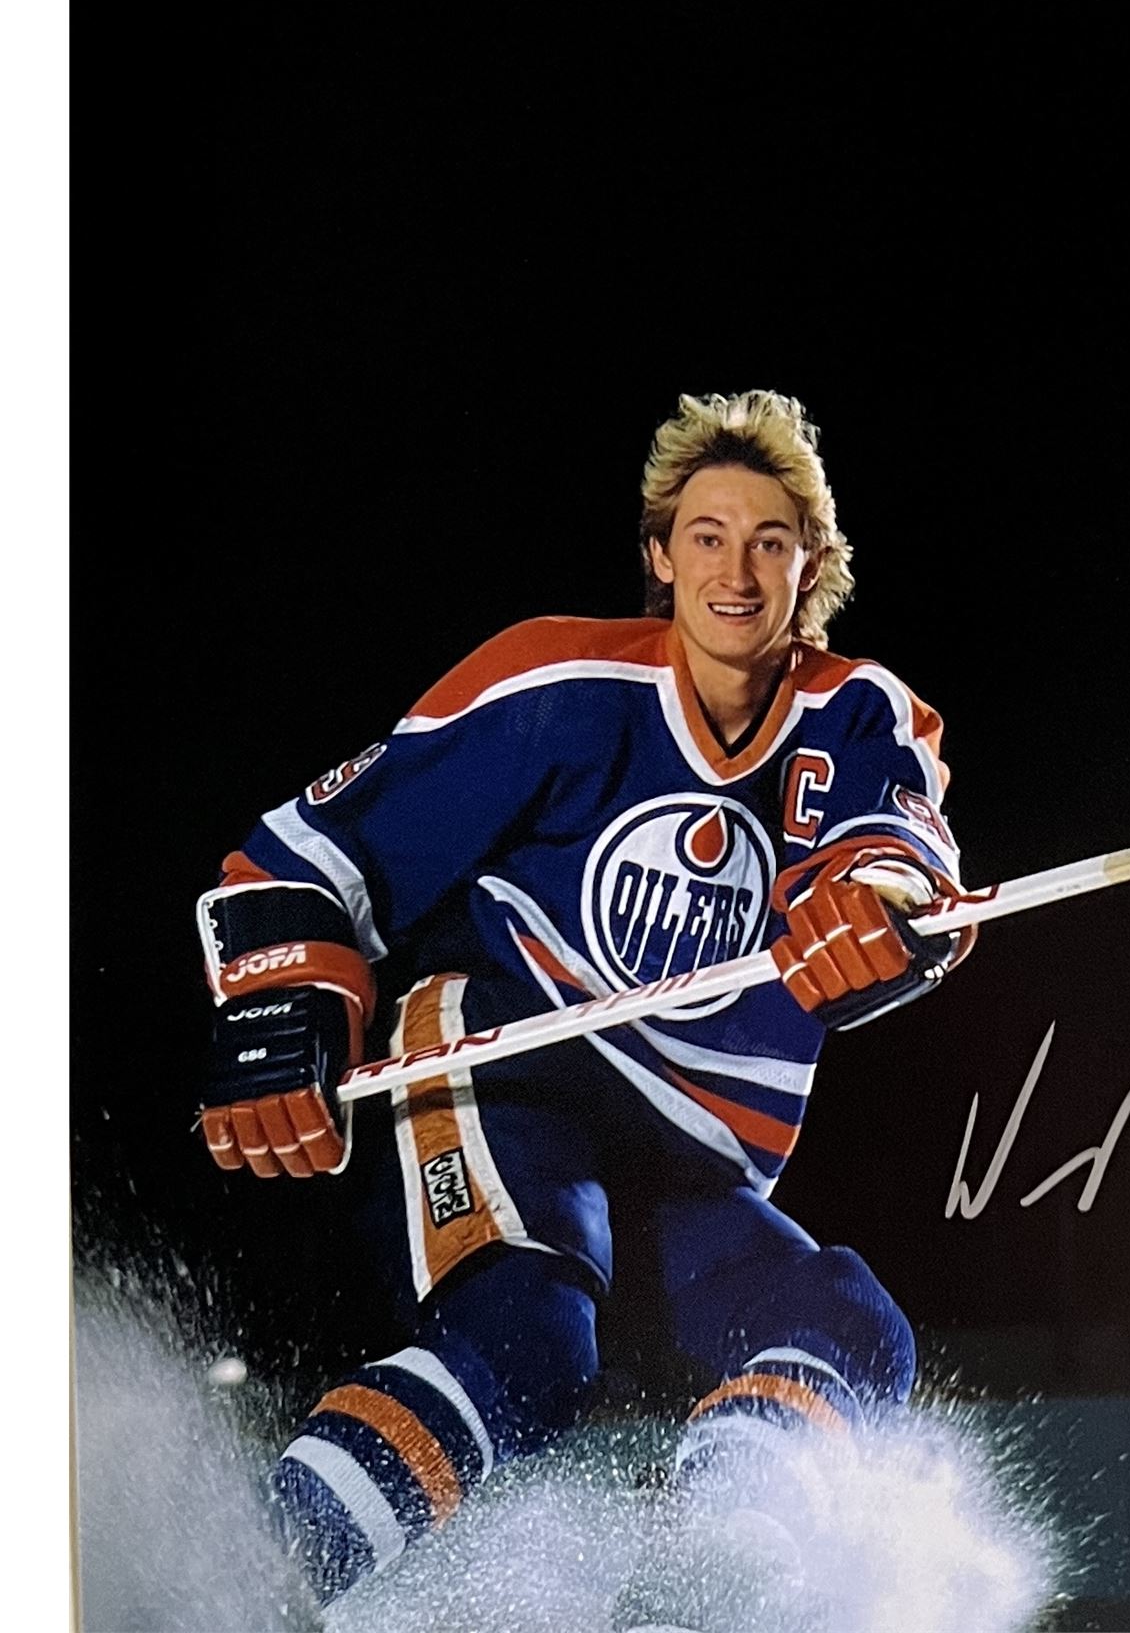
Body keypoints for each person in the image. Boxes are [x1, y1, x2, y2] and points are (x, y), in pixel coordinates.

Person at [195, 390, 977, 1626]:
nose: (735, 571)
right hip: (507, 1076)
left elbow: (900, 854)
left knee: (850, 1328)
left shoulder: (858, 714)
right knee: (529, 1336)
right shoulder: (558, 682)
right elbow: (304, 859)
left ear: (811, 564)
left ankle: (703, 1587)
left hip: (687, 1157)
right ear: (660, 556)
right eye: (706, 537)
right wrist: (285, 1010)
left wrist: (877, 910)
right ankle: (249, 1588)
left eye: (768, 541)